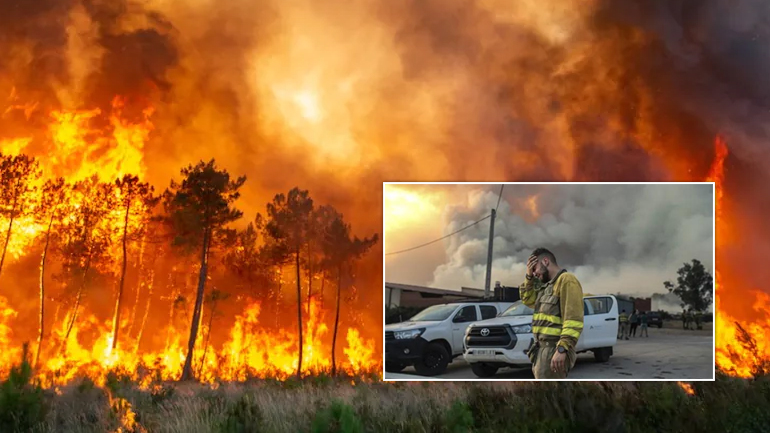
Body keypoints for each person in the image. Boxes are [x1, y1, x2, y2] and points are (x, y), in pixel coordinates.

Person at [520, 248, 584, 379]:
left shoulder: (567, 280)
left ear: (545, 261)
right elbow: (527, 299)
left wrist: (562, 349)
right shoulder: (546, 287)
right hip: (540, 351)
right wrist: (529, 276)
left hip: (554, 350)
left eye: (535, 268)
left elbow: (573, 320)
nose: (535, 273)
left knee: (550, 395)